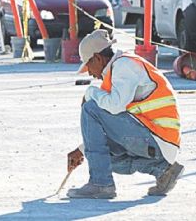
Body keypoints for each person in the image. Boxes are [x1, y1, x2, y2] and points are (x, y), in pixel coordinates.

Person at [66, 29, 184, 199]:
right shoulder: (117, 71)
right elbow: (113, 126)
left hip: (158, 138)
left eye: (88, 66)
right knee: (105, 160)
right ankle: (164, 170)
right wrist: (82, 150)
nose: (90, 73)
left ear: (98, 58)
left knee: (90, 108)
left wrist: (90, 92)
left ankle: (101, 184)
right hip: (159, 141)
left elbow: (115, 107)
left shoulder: (124, 66)